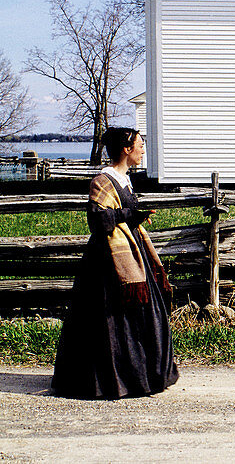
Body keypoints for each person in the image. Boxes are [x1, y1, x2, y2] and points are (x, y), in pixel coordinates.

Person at [52, 127, 179, 399]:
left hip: (131, 252)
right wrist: (129, 213)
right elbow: (99, 220)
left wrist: (136, 216)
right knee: (109, 321)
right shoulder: (102, 180)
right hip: (108, 261)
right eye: (140, 145)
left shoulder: (125, 179)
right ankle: (109, 381)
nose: (143, 150)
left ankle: (138, 377)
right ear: (126, 149)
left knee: (146, 316)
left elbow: (122, 215)